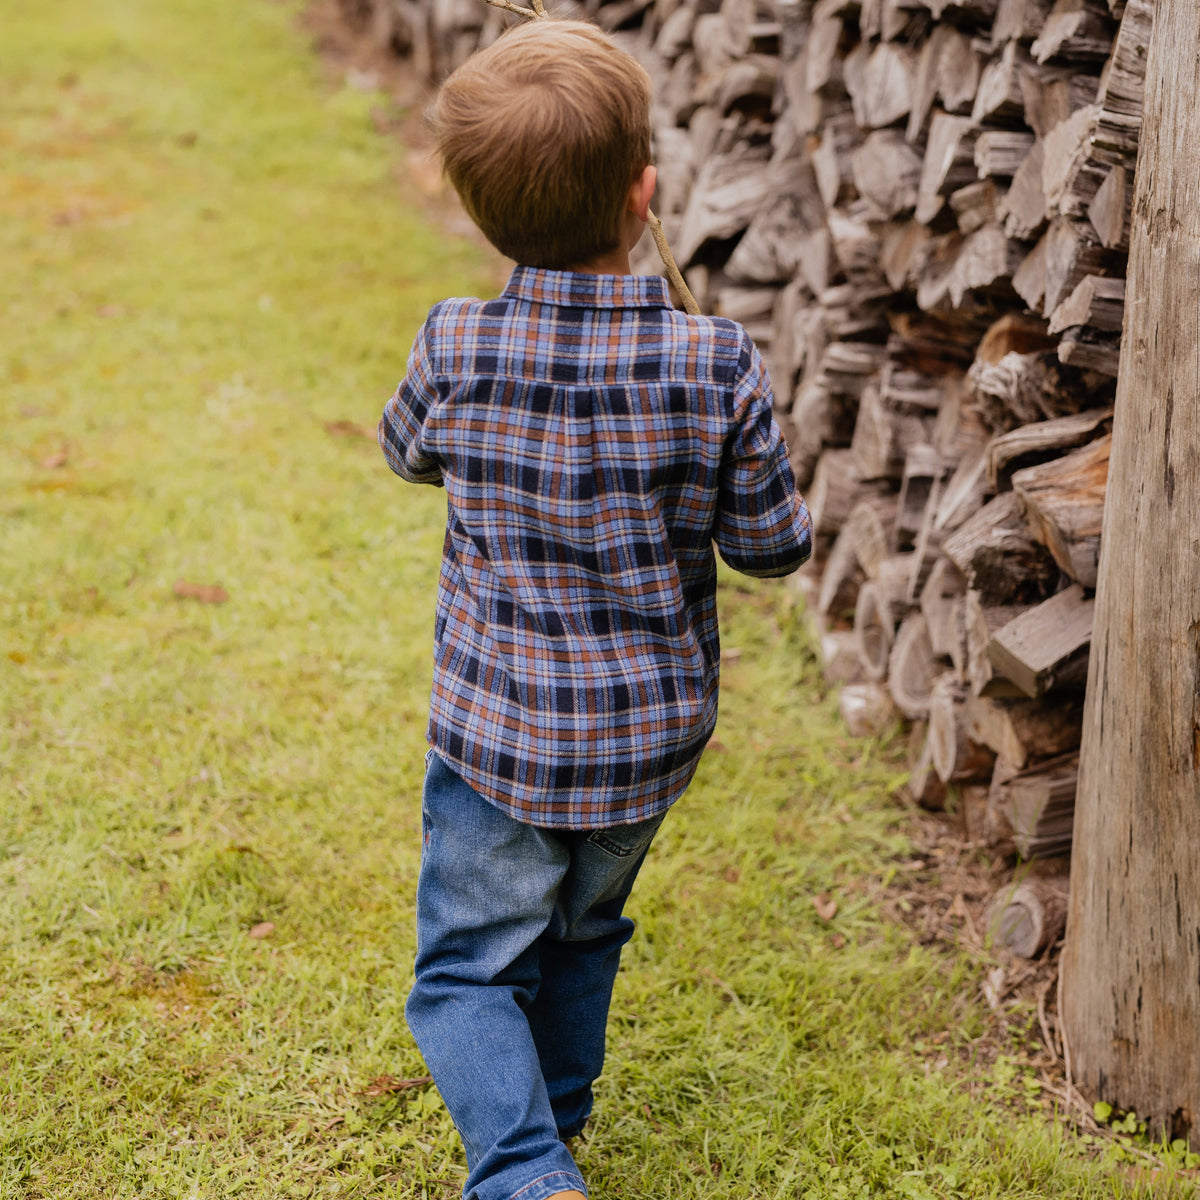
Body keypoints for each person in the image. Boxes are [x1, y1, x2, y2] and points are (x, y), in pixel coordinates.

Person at [377, 18, 812, 1200]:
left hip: (495, 740)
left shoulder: (456, 342)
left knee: (468, 970)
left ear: (480, 212)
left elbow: (406, 454)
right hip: (644, 748)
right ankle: (551, 1132)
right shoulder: (713, 361)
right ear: (646, 192)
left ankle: (526, 1169)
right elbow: (773, 548)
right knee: (580, 935)